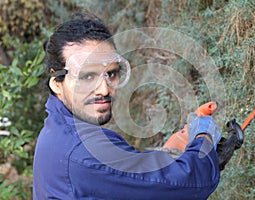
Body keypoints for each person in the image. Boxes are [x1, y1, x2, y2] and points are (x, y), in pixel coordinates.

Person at [33, 11, 223, 200]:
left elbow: (118, 180)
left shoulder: (58, 130)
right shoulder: (84, 151)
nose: (104, 90)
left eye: (112, 74)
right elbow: (188, 184)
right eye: (88, 76)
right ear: (57, 82)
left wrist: (167, 155)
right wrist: (204, 139)